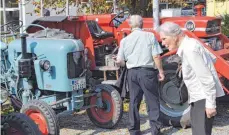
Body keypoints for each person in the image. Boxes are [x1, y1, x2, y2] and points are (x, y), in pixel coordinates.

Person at [158, 22, 225, 135]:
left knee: (200, 132)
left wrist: (210, 104)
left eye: (164, 38)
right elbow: (212, 59)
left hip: (202, 98)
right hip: (197, 97)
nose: (163, 43)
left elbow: (206, 78)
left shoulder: (190, 49)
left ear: (175, 36)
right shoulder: (192, 44)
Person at [113, 15, 164, 135]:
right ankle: (155, 130)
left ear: (130, 25)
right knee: (152, 101)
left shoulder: (125, 40)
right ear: (142, 24)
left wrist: (117, 61)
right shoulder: (150, 36)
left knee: (134, 102)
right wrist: (161, 71)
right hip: (148, 73)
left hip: (132, 73)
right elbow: (156, 56)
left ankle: (134, 130)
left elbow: (120, 61)